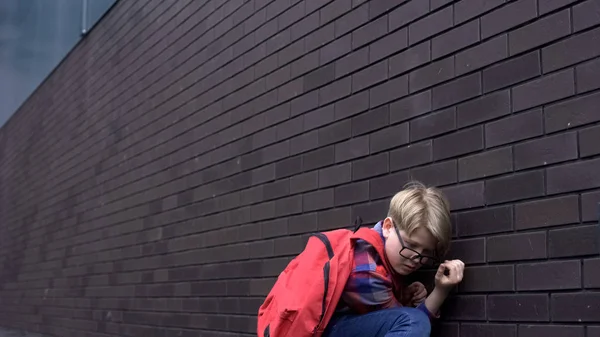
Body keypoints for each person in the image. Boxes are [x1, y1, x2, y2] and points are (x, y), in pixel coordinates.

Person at [323, 182, 465, 337]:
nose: (417, 258)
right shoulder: (367, 270)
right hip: (330, 329)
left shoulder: (376, 253)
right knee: (414, 321)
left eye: (426, 251)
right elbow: (409, 326)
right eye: (411, 245)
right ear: (388, 227)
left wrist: (403, 295)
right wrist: (440, 291)